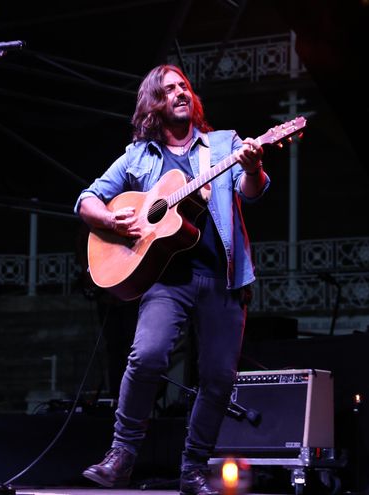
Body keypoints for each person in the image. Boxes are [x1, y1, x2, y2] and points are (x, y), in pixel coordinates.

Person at [74, 64, 268, 495]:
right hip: (166, 280)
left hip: (223, 278)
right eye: (169, 89)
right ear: (154, 103)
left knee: (218, 378)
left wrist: (253, 167)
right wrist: (112, 219)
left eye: (185, 86)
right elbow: (86, 200)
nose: (181, 92)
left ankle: (193, 469)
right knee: (147, 356)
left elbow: (250, 191)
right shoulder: (137, 156)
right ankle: (121, 456)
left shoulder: (223, 145)